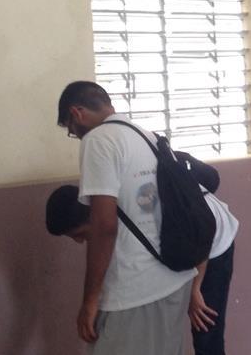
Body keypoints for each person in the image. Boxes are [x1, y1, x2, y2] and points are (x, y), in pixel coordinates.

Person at [45, 153, 239, 355]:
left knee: (205, 328)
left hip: (212, 239)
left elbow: (202, 231)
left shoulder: (138, 210)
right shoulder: (109, 213)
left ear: (93, 218)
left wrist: (195, 289)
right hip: (182, 245)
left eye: (79, 234)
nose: (79, 241)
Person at [56, 81, 195, 355]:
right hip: (173, 278)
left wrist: (90, 301)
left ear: (76, 113)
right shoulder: (148, 136)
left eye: (72, 131)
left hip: (134, 290)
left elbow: (104, 226)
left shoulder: (98, 141)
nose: (77, 136)